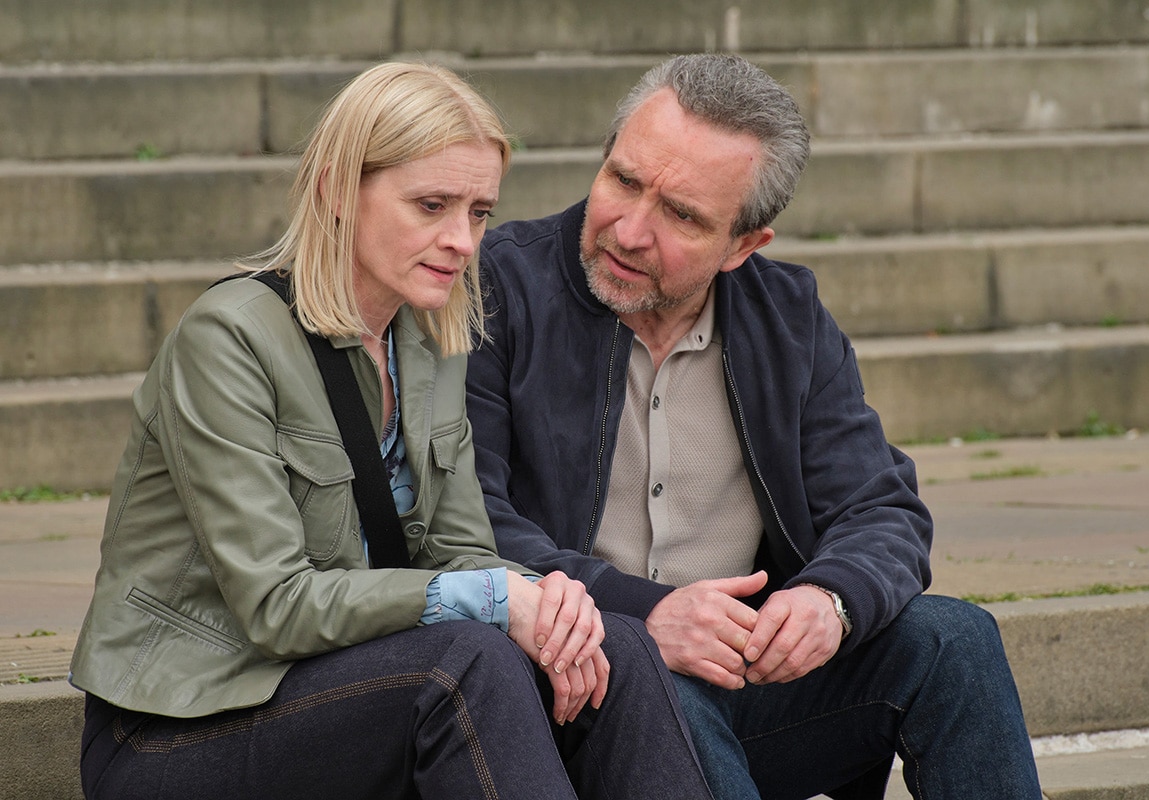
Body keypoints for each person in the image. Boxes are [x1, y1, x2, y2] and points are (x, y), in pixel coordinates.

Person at [68, 61, 714, 800]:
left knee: (617, 642)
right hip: (181, 725)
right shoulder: (229, 341)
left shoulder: (429, 342)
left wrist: (552, 601)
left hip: (347, 691)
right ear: (336, 191)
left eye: (479, 212)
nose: (462, 240)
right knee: (467, 663)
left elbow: (463, 552)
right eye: (431, 205)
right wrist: (498, 598)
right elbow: (277, 606)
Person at [465, 54, 1043, 799]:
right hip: (575, 684)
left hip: (745, 679)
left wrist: (830, 602)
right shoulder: (499, 288)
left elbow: (882, 508)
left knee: (955, 642)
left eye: (682, 216)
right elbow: (466, 518)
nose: (630, 231)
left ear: (743, 246)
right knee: (656, 681)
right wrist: (644, 613)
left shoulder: (788, 318)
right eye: (624, 181)